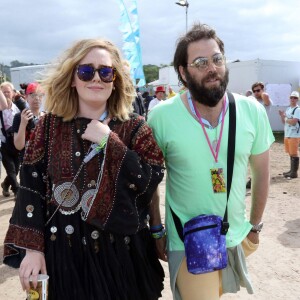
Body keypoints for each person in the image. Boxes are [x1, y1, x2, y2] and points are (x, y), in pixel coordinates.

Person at [3, 38, 165, 299]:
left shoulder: (135, 127)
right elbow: (30, 185)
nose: (96, 78)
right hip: (65, 255)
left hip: (122, 255)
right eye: (86, 71)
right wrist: (33, 250)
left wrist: (109, 142)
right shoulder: (48, 126)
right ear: (72, 78)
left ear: (115, 81)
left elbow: (149, 181)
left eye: (105, 71)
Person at [148, 23, 274, 300]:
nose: (212, 68)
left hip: (236, 235)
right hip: (188, 238)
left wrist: (255, 226)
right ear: (183, 72)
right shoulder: (162, 117)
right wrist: (157, 231)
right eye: (200, 62)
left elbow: (262, 173)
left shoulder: (251, 111)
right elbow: (150, 182)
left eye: (217, 59)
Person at [12, 82, 45, 162]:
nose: (37, 98)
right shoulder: (19, 117)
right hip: (27, 163)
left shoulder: (46, 116)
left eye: (40, 95)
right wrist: (23, 123)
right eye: (33, 95)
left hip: (45, 164)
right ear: (26, 97)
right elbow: (19, 146)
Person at [0, 81, 21, 198]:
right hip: (4, 144)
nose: (6, 94)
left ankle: (5, 184)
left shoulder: (17, 108)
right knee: (11, 170)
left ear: (13, 93)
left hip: (17, 143)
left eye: (8, 92)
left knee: (16, 169)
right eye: (4, 92)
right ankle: (17, 191)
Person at [278, 91, 300, 178]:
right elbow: (285, 122)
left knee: (294, 153)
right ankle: (292, 171)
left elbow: (294, 122)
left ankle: (294, 173)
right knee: (290, 153)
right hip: (288, 134)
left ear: (297, 99)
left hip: (294, 134)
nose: (292, 99)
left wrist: (285, 118)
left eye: (295, 98)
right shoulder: (288, 109)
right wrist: (282, 116)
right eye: (291, 97)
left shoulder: (297, 109)